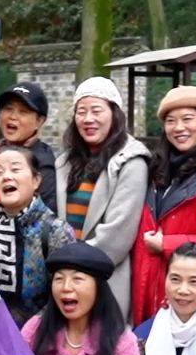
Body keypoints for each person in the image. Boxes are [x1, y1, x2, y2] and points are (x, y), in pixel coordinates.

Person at [131, 85, 196, 324]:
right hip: (151, 286)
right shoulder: (156, 168)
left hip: (194, 295)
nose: (179, 128)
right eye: (171, 121)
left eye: (188, 119)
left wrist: (166, 244)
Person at [54, 77, 151, 318]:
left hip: (105, 279)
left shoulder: (132, 161)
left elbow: (117, 235)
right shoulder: (65, 162)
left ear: (114, 114)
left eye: (96, 111)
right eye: (81, 112)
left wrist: (70, 266)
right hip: (63, 284)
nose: (88, 119)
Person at [0, 145, 73, 321]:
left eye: (15, 169)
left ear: (36, 180)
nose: (6, 176)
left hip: (38, 336)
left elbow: (67, 292)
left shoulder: (56, 231)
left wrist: (33, 331)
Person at [0, 82, 58, 213]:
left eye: (23, 111)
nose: (12, 116)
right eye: (8, 108)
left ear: (39, 121)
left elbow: (43, 217)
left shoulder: (42, 164)